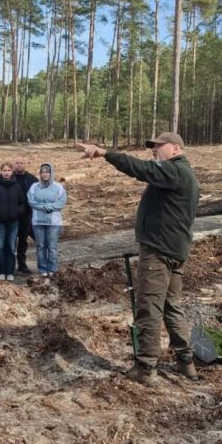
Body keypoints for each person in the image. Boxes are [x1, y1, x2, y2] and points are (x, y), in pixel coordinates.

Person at [78, 132, 200, 387]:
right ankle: (185, 362)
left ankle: (146, 368)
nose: (154, 151)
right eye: (153, 147)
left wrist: (105, 153)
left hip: (159, 252)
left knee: (149, 308)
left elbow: (139, 169)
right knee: (171, 307)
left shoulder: (174, 171)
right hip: (174, 251)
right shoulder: (179, 173)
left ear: (176, 148)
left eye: (159, 146)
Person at [26, 163, 66, 277]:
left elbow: (61, 203)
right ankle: (43, 269)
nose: (45, 174)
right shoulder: (34, 187)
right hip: (38, 221)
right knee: (41, 246)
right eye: (43, 172)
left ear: (51, 173)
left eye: (47, 172)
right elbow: (31, 202)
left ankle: (52, 269)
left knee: (52, 247)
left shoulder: (58, 187)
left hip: (54, 222)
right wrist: (43, 207)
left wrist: (47, 207)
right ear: (40, 173)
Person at [0, 162, 26, 281]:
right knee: (0, 246)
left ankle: (10, 271)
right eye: (4, 170)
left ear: (12, 172)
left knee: (10, 246)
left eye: (9, 170)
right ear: (0, 172)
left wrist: (18, 212)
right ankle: (1, 270)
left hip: (13, 222)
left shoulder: (17, 187)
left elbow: (22, 203)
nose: (6, 172)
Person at [13, 157, 38, 273]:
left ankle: (22, 264)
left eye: (21, 163)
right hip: (11, 215)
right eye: (17, 163)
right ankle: (5, 264)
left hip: (27, 214)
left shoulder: (32, 179)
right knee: (10, 241)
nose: (19, 165)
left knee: (23, 240)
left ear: (25, 164)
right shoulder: (8, 177)